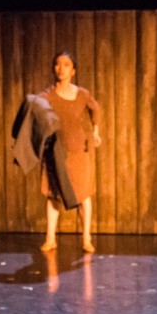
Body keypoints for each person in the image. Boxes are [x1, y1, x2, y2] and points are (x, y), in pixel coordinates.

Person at [38, 51, 102, 253]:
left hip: (77, 150)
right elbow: (34, 113)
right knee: (53, 194)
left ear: (73, 71)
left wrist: (96, 131)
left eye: (66, 65)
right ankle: (50, 239)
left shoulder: (81, 94)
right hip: (56, 151)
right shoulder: (47, 95)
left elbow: (96, 109)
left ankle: (86, 238)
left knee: (83, 194)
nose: (61, 68)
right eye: (58, 64)